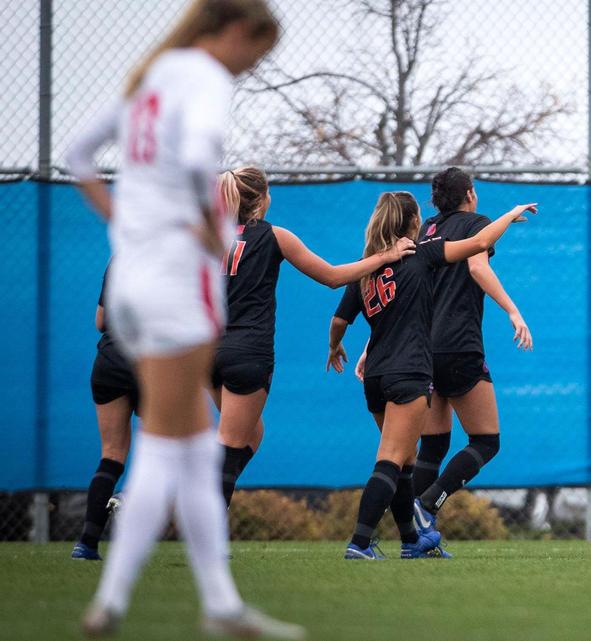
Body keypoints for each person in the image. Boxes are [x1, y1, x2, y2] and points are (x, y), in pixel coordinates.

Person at [65, 1, 303, 637]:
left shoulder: (149, 77)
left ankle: (218, 603)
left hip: (132, 286)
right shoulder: (201, 77)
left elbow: (77, 156)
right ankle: (113, 601)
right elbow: (201, 159)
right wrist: (206, 233)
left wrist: (124, 224)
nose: (252, 65)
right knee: (173, 449)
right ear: (234, 30)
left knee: (195, 449)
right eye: (256, 51)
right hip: (176, 283)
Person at [328, 191, 536, 560]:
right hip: (408, 371)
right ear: (412, 223)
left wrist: (336, 347)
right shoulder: (421, 252)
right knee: (392, 459)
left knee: (408, 461)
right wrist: (512, 213)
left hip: (375, 373)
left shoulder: (368, 264)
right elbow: (481, 244)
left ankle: (412, 541)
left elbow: (340, 320)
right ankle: (360, 542)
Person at [213, 166, 414, 507]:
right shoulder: (274, 236)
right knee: (229, 446)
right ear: (262, 199)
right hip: (248, 351)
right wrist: (386, 256)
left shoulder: (210, 238)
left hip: (208, 350)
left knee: (251, 435)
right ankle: (199, 526)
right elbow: (333, 277)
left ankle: (190, 496)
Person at [399, 168, 532, 555]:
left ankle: (416, 541)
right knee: (487, 441)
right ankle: (427, 505)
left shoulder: (426, 229)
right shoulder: (476, 224)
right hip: (459, 345)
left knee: (433, 445)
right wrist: (512, 311)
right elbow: (477, 266)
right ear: (470, 194)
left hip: (423, 348)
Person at [70, 267, 138, 561]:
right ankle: (130, 498)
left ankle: (86, 543)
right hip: (153, 361)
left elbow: (100, 321)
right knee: (172, 451)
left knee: (111, 455)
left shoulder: (120, 259)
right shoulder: (178, 250)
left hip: (109, 360)